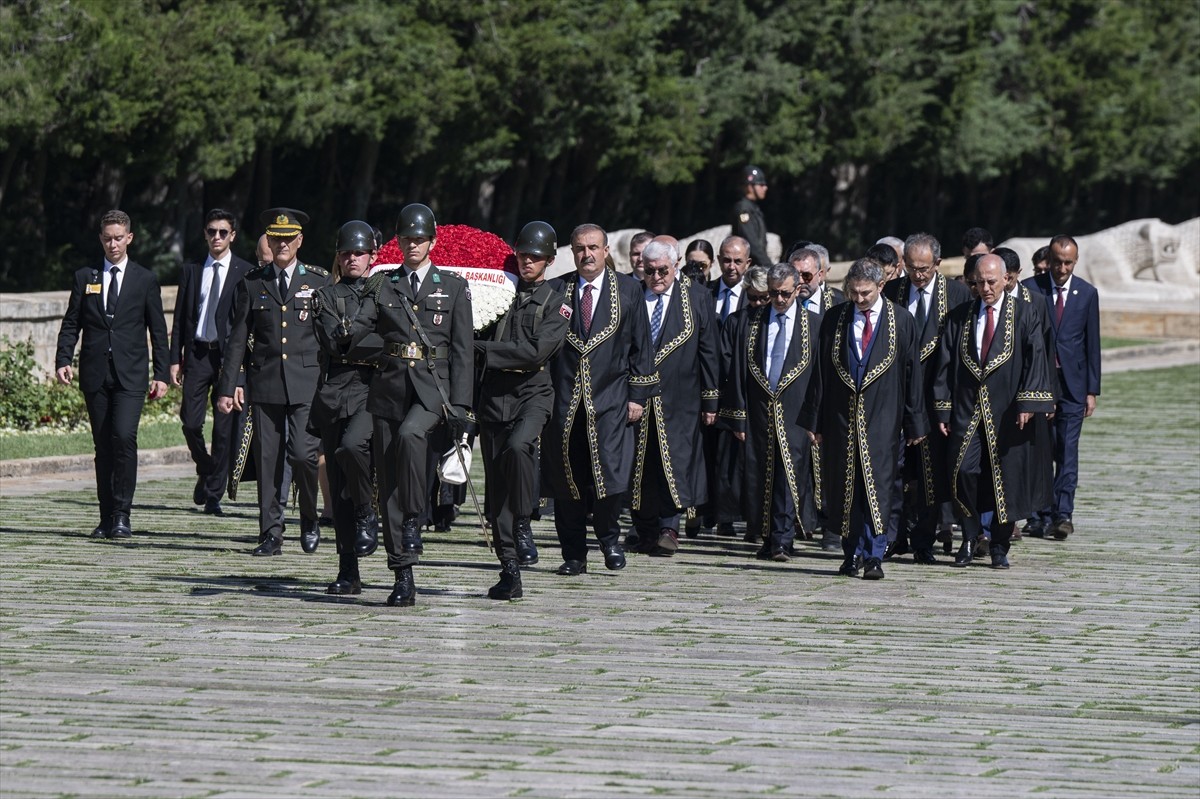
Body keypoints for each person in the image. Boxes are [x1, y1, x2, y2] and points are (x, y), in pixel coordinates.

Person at [350, 203, 474, 607]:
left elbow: (462, 351)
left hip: (432, 390)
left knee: (410, 435)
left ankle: (416, 517)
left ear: (432, 241)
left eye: (419, 239)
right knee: (387, 484)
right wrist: (338, 320)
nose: (413, 245)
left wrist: (462, 406)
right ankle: (402, 573)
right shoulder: (383, 284)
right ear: (397, 243)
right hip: (389, 390)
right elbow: (360, 327)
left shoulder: (453, 286)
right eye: (406, 239)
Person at [542, 223, 658, 576]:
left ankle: (609, 539)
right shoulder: (556, 289)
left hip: (610, 400)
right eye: (580, 248)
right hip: (565, 403)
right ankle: (574, 554)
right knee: (567, 481)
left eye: (593, 247)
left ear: (606, 251)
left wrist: (638, 394)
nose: (586, 255)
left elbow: (642, 345)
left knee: (609, 476)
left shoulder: (627, 290)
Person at [800, 258, 927, 580]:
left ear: (881, 286)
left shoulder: (902, 320)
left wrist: (914, 423)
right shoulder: (834, 319)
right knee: (845, 487)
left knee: (879, 487)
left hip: (883, 419)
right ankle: (850, 552)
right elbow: (820, 373)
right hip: (841, 419)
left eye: (865, 294)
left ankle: (874, 554)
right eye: (853, 293)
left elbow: (912, 375)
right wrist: (815, 421)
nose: (858, 299)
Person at [216, 208, 331, 556]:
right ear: (269, 240)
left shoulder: (319, 281)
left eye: (288, 238)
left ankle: (309, 517)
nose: (282, 244)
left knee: (303, 456)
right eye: (276, 238)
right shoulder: (253, 283)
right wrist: (227, 386)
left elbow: (327, 338)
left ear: (299, 241)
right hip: (265, 383)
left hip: (306, 383)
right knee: (268, 460)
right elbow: (238, 339)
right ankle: (271, 532)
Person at [55, 210, 170, 539]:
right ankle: (106, 516)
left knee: (123, 437)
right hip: (95, 373)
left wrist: (161, 372)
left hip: (131, 374)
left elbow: (158, 331)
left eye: (118, 238)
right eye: (107, 238)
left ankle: (122, 513)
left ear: (129, 238)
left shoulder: (144, 279)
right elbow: (71, 323)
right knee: (103, 445)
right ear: (101, 239)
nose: (113, 244)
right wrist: (64, 358)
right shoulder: (85, 277)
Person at [935, 254, 1055, 568]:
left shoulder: (1025, 314)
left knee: (1005, 477)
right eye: (980, 282)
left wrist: (1029, 402)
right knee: (964, 471)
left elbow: (1035, 357)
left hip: (1006, 413)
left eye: (992, 281)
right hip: (967, 412)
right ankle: (970, 535)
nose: (986, 288)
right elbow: (945, 365)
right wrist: (944, 409)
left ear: (1005, 280)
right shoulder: (959, 316)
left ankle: (999, 545)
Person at [475, 221, 572, 600]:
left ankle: (523, 518)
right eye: (523, 254)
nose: (527, 261)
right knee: (495, 486)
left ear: (548, 260)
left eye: (535, 256)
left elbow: (535, 352)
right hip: (494, 398)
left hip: (533, 394)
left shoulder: (556, 301)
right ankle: (509, 568)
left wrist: (482, 352)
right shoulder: (499, 293)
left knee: (519, 448)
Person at [881, 233, 971, 563]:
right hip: (897, 396)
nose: (918, 275)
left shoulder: (957, 294)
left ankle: (924, 540)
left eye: (924, 269)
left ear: (937, 263)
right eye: (911, 268)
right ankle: (892, 537)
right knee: (892, 472)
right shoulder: (892, 291)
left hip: (937, 400)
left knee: (930, 474)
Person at [720, 262, 819, 560]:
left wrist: (817, 418)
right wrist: (737, 415)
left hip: (797, 412)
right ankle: (767, 535)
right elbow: (738, 371)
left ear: (798, 290)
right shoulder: (751, 322)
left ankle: (782, 539)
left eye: (785, 294)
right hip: (759, 411)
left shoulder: (814, 324)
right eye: (773, 293)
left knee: (790, 475)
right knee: (760, 475)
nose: (778, 299)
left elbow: (820, 376)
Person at [629, 240, 720, 557]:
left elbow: (709, 349)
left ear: (676, 265)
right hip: (637, 397)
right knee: (641, 465)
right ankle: (644, 528)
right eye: (649, 270)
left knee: (676, 462)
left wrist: (711, 399)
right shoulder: (633, 294)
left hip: (680, 396)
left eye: (662, 271)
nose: (655, 277)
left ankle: (670, 527)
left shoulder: (696, 297)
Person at [310, 221, 384, 595]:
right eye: (346, 253)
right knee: (338, 485)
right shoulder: (325, 295)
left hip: (375, 392)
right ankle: (347, 570)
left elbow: (392, 339)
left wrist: (358, 338)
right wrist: (368, 341)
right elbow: (335, 345)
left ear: (373, 256)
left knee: (352, 447)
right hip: (337, 393)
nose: (352, 258)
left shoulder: (386, 290)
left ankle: (368, 511)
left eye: (359, 253)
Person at [170, 208, 254, 516]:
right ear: (204, 234)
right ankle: (205, 467)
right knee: (190, 421)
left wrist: (241, 375)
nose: (216, 237)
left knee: (224, 429)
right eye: (211, 231)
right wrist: (174, 359)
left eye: (222, 232)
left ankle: (214, 493)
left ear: (232, 235)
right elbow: (180, 317)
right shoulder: (192, 269)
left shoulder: (245, 271)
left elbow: (248, 326)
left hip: (228, 357)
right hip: (198, 353)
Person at [1021, 235, 1101, 541]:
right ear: (1049, 260)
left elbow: (1092, 344)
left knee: (1068, 450)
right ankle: (1039, 513)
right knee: (1041, 449)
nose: (1062, 268)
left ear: (1075, 262)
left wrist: (1091, 390)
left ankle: (1063, 513)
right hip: (1039, 383)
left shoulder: (1087, 294)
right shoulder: (1031, 289)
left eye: (1068, 263)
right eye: (1057, 262)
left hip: (1073, 385)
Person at [732, 165, 771, 268]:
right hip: (749, 269)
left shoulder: (753, 208)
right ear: (750, 187)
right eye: (761, 184)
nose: (765, 187)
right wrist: (769, 266)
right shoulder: (744, 209)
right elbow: (751, 243)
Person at [794, 243, 844, 315]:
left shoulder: (841, 301)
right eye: (796, 274)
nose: (801, 280)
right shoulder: (782, 299)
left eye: (807, 275)